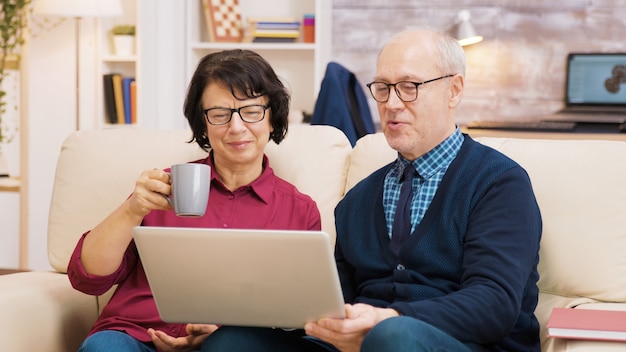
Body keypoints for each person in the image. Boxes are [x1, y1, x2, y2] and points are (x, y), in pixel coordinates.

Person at [200, 27, 542, 352]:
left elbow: (495, 304)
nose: (391, 103)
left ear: (454, 90)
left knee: (392, 336)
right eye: (382, 87)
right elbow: (337, 298)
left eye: (409, 86)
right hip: (359, 343)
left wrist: (386, 319)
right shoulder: (358, 200)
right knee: (230, 341)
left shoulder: (498, 182)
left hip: (456, 342)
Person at [68, 49, 322, 352]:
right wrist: (132, 209)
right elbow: (88, 279)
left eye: (252, 111)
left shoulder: (299, 210)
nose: (236, 127)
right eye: (219, 114)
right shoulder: (160, 188)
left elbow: (298, 315)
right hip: (136, 335)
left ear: (272, 117)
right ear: (202, 124)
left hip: (229, 342)